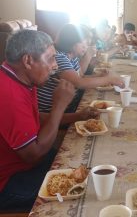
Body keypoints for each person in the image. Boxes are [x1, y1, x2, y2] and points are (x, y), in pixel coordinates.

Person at [0, 30, 98, 210]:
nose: (55, 66)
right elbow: (34, 154)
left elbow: (36, 118)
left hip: (27, 166)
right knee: (86, 194)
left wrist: (78, 115)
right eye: (51, 58)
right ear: (28, 60)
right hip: (10, 183)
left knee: (88, 166)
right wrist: (59, 105)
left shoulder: (22, 78)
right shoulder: (8, 94)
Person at [38, 24, 124, 113]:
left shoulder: (72, 56)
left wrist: (99, 76)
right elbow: (79, 83)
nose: (86, 46)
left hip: (70, 105)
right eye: (85, 42)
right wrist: (108, 80)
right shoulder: (59, 57)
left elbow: (80, 76)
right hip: (53, 112)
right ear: (72, 42)